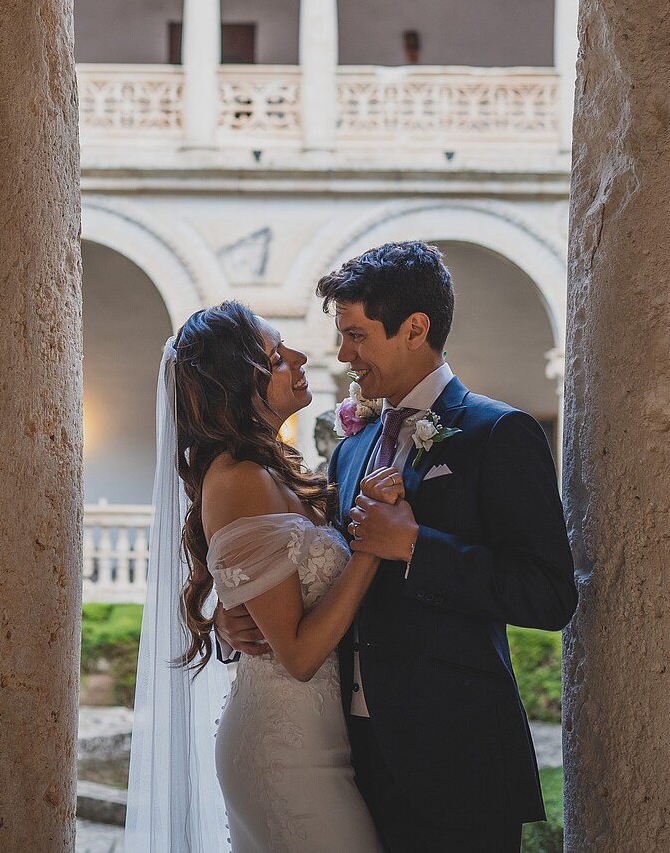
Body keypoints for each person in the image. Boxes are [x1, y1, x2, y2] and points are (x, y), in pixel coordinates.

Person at [219, 241, 577, 853]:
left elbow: (548, 595)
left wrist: (416, 546)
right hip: (350, 760)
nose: (343, 355)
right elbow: (319, 569)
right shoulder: (350, 449)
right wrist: (243, 609)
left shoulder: (499, 434)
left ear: (416, 328)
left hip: (456, 754)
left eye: (357, 335)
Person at [125, 300, 395, 853]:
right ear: (236, 385)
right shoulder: (240, 479)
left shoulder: (269, 467)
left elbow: (276, 591)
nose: (298, 357)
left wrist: (232, 611)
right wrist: (372, 548)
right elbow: (296, 655)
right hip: (287, 753)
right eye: (275, 357)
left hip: (320, 739)